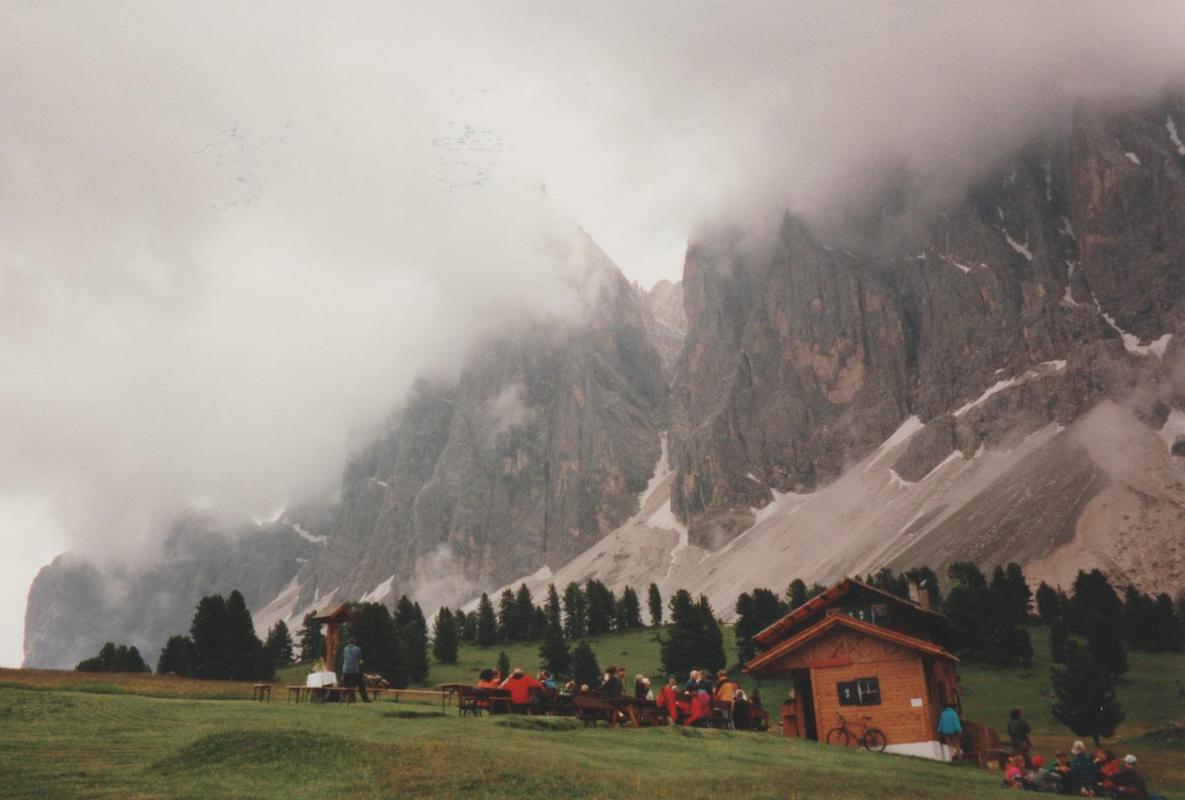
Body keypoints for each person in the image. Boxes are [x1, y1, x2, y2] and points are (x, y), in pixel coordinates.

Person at [340, 637, 370, 703]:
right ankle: (365, 699)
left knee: (346, 685)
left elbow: (345, 658)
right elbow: (360, 660)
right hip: (354, 670)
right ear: (355, 642)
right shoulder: (357, 649)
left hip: (345, 670)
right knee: (360, 683)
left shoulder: (345, 649)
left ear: (348, 642)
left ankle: (345, 698)